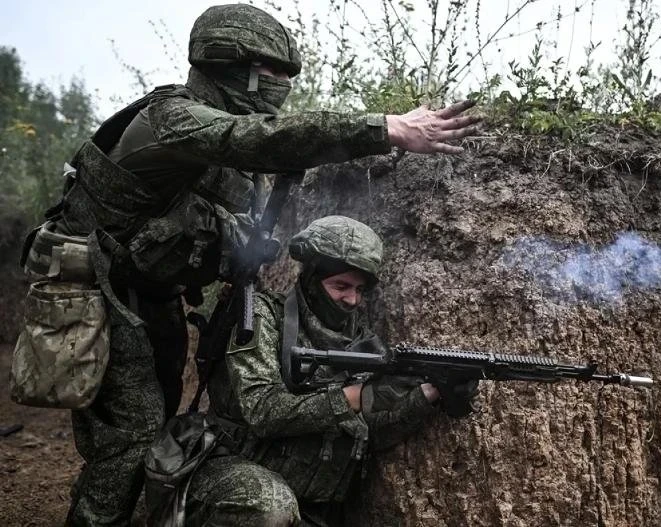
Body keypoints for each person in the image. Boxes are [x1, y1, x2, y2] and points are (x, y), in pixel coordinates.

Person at [15, 4, 480, 526]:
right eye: (272, 70)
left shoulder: (226, 149)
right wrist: (384, 128)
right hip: (99, 292)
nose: (282, 84)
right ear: (228, 63)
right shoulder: (172, 119)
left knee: (152, 428)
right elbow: (258, 139)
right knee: (129, 438)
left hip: (154, 297)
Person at [147, 216, 476, 526]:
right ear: (312, 279)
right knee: (270, 504)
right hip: (230, 475)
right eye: (341, 285)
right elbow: (262, 410)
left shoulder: (362, 343)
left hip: (308, 504)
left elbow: (371, 435)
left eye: (359, 289)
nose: (352, 300)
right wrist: (356, 396)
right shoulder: (263, 317)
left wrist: (426, 395)